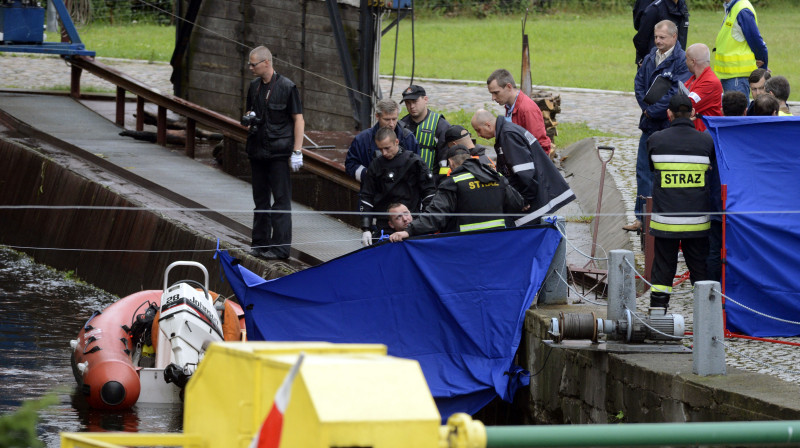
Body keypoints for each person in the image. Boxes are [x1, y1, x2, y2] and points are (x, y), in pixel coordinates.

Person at [648, 94, 714, 310]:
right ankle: (706, 318)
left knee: (662, 270)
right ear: (693, 114)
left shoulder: (656, 140)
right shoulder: (706, 141)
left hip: (665, 222)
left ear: (669, 114)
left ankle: (658, 313)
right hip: (697, 223)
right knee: (700, 271)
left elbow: (652, 169)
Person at [627, 20, 690, 232]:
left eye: (662, 37)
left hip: (667, 124)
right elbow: (639, 84)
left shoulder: (681, 61)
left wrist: (653, 110)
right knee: (643, 170)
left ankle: (663, 216)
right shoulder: (649, 57)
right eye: (656, 37)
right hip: (648, 124)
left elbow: (677, 92)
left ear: (674, 37)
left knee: (664, 172)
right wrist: (645, 107)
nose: (658, 41)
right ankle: (641, 218)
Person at [389, 145, 525, 241]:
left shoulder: (453, 182)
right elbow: (517, 204)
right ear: (470, 158)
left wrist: (409, 231)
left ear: (450, 163)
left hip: (465, 244)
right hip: (498, 241)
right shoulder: (496, 176)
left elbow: (436, 215)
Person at [243, 46, 304, 260]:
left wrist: (297, 150)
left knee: (280, 200)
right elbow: (249, 111)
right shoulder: (254, 87)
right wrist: (249, 117)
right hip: (257, 150)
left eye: (253, 64)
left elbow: (298, 119)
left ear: (266, 62)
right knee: (260, 199)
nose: (250, 67)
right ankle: (260, 243)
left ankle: (280, 248)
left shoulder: (287, 87)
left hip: (278, 152)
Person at [471, 109, 575, 226]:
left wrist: (523, 201)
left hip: (536, 199)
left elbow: (524, 171)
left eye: (478, 130)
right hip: (540, 193)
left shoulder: (507, 135)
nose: (478, 135)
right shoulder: (508, 131)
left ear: (488, 125)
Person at [359, 127, 435, 246]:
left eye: (387, 148)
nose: (384, 153)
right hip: (385, 224)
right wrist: (366, 228)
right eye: (380, 149)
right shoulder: (376, 165)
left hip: (411, 222)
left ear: (396, 142)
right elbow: (367, 196)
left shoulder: (414, 163)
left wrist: (425, 222)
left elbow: (429, 193)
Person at [345, 99, 418, 183]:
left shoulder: (408, 139)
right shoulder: (362, 140)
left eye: (394, 119)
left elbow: (417, 167)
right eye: (387, 119)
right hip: (373, 191)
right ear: (377, 116)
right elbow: (350, 165)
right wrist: (368, 174)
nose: (391, 124)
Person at [486, 69, 552, 155]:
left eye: (496, 93)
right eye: (492, 93)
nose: (493, 98)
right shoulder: (509, 106)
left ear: (509, 87)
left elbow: (540, 146)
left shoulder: (527, 109)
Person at [714, 0, 768, 98]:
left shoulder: (742, 10)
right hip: (732, 76)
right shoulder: (732, 7)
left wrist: (763, 65)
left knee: (737, 112)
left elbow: (756, 41)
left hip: (737, 77)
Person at [399, 85, 451, 181]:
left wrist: (441, 185)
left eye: (415, 101)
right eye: (407, 103)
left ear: (425, 99)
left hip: (432, 182)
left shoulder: (440, 125)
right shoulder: (401, 125)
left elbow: (446, 161)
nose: (411, 106)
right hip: (407, 183)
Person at [633, 0, 689, 67]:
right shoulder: (655, 9)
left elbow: (682, 37)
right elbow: (641, 39)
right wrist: (648, 60)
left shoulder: (682, 6)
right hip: (655, 64)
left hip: (677, 64)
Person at [684, 43, 722, 132]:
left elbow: (685, 106)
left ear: (693, 61)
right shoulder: (693, 79)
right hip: (694, 133)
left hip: (704, 137)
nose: (685, 62)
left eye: (686, 59)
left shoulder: (710, 83)